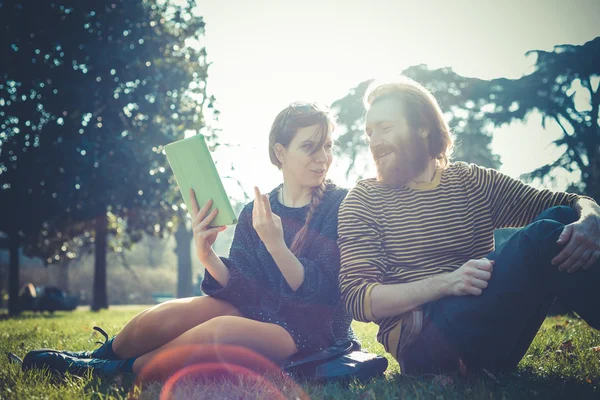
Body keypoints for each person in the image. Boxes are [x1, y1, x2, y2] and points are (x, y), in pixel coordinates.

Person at [21, 102, 357, 378]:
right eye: (310, 147)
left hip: (313, 332)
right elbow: (244, 287)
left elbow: (326, 292)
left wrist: (277, 246)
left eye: (327, 146)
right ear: (280, 152)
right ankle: (94, 357)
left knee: (220, 330)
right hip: (261, 313)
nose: (322, 157)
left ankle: (114, 372)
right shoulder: (253, 211)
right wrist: (207, 253)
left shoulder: (341, 205)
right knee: (164, 316)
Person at [337, 76, 600, 375]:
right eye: (369, 132)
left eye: (386, 128)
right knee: (547, 233)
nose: (374, 141)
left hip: (488, 330)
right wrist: (449, 282)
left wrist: (592, 217)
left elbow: (569, 202)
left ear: (422, 126)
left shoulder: (471, 181)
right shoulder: (364, 198)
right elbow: (357, 297)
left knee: (564, 220)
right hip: (423, 342)